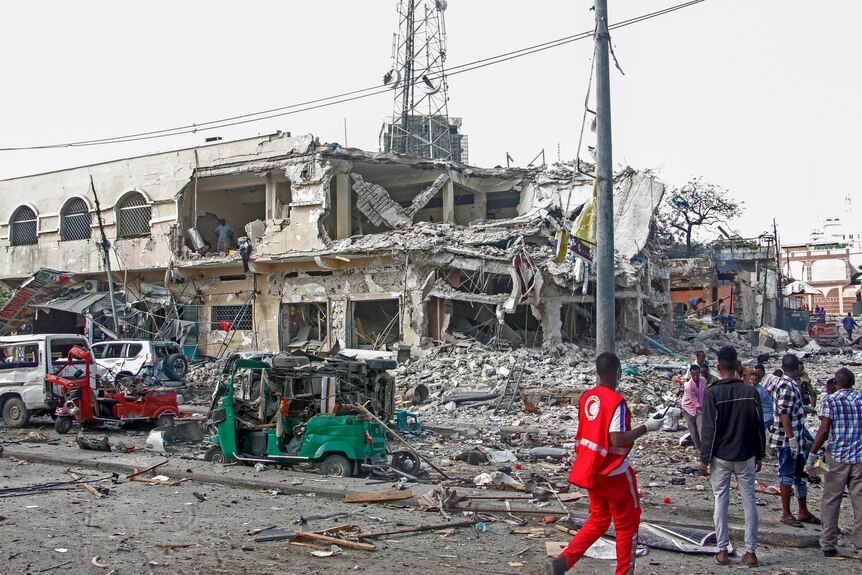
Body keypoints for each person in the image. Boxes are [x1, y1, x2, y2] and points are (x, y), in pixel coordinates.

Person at [547, 352, 663, 575]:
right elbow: (616, 439)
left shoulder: (587, 397)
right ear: (618, 373)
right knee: (627, 524)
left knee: (598, 519)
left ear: (597, 373)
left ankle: (564, 561)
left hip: (592, 470)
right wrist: (647, 427)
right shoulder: (616, 401)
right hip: (615, 472)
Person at [699, 346, 765, 567]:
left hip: (721, 457)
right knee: (749, 503)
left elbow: (709, 429)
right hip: (745, 455)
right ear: (738, 367)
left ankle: (722, 550)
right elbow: (758, 427)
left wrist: (704, 459)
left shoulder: (713, 393)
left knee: (721, 502)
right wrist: (759, 453)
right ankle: (751, 552)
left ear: (718, 366)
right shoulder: (750, 392)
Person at [806, 367, 862, 559]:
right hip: (859, 458)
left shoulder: (831, 400)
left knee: (831, 500)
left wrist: (812, 454)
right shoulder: (860, 399)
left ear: (837, 384)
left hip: (837, 456)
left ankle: (828, 543)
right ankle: (860, 546)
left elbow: (824, 429)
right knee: (859, 503)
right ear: (853, 382)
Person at [771, 354, 819, 528]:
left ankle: (803, 510)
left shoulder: (786, 383)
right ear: (797, 368)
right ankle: (786, 513)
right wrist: (791, 438)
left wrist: (804, 408)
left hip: (796, 438)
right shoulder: (786, 385)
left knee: (800, 475)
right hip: (787, 440)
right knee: (787, 475)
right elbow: (784, 413)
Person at [682, 364, 706, 453]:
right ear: (691, 375)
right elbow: (694, 400)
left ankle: (705, 448)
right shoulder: (688, 386)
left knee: (701, 427)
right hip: (688, 408)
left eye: (697, 374)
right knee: (693, 429)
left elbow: (704, 393)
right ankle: (699, 448)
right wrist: (703, 409)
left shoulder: (703, 380)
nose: (695, 377)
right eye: (693, 375)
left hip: (699, 406)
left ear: (700, 373)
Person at [751, 365, 774, 432]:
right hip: (763, 415)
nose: (752, 382)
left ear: (759, 380)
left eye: (754, 380)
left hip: (766, 416)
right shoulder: (756, 388)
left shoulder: (759, 391)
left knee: (756, 432)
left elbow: (752, 405)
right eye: (751, 380)